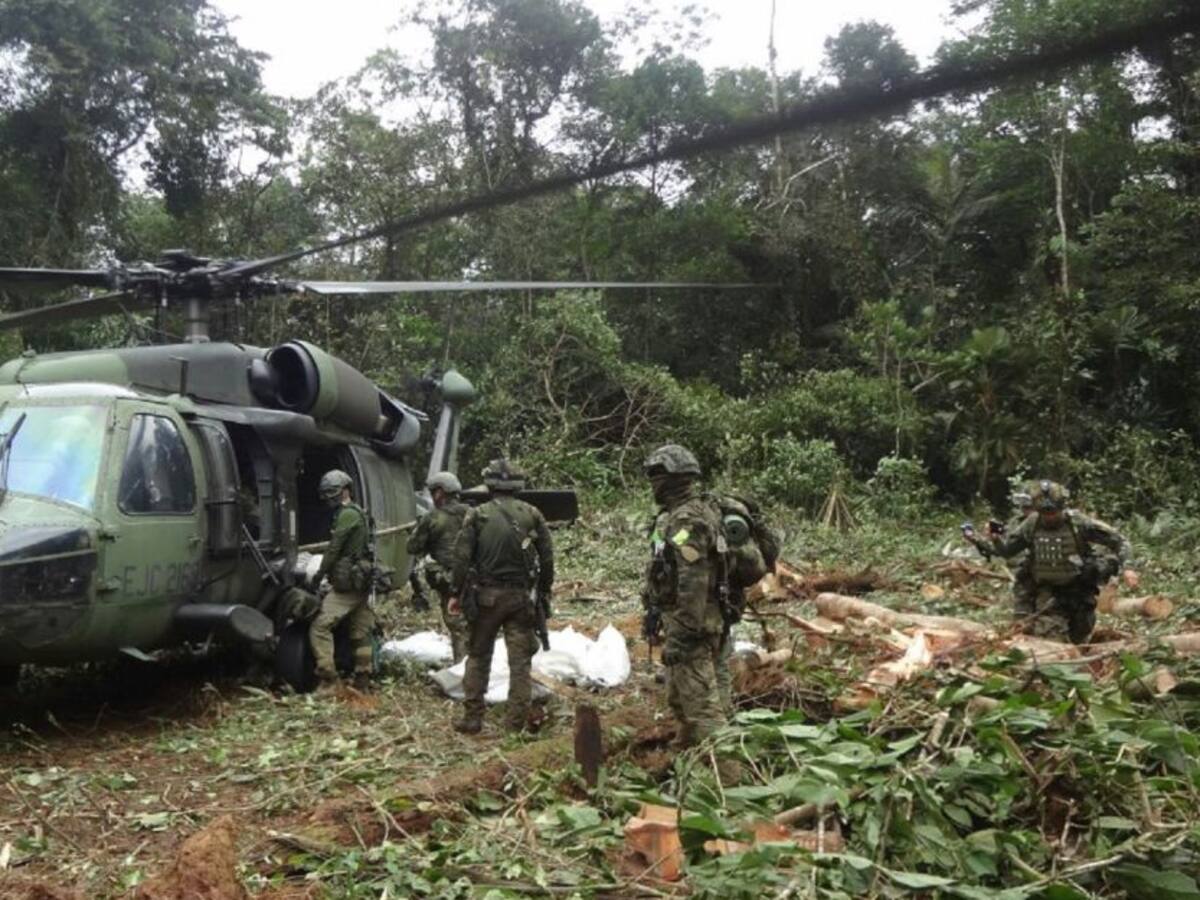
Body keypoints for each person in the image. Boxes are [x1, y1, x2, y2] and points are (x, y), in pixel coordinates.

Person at [449, 458, 554, 734]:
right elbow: (547, 557)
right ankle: (514, 725)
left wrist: (455, 592)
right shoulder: (532, 513)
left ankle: (473, 718)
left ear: (490, 483)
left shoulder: (477, 514)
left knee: (478, 656)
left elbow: (461, 558)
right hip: (521, 600)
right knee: (520, 664)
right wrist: (544, 590)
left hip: (486, 599)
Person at [966, 480, 1137, 643]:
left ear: (1062, 507)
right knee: (1050, 637)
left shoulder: (1079, 523)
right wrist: (995, 539)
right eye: (1045, 513)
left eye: (1053, 512)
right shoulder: (1031, 524)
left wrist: (1128, 568)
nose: (1049, 517)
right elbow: (1007, 550)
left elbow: (1120, 541)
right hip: (1048, 592)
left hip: (1078, 590)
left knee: (1080, 632)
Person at [640, 443, 727, 746]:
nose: (652, 483)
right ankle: (687, 753)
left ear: (671, 479)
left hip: (692, 624)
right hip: (684, 618)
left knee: (703, 708)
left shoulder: (686, 521)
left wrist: (682, 634)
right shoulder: (682, 514)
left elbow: (693, 583)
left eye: (656, 476)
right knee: (679, 697)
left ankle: (730, 780)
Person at [308, 469, 373, 685]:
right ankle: (363, 677)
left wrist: (318, 576)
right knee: (360, 630)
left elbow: (334, 549)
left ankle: (328, 679)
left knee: (320, 626)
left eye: (332, 492)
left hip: (348, 584)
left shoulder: (347, 514)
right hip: (360, 580)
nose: (329, 497)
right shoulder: (357, 512)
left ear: (345, 490)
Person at [406, 471, 470, 662]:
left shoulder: (433, 518)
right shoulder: (474, 513)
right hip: (477, 579)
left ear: (440, 492)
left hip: (452, 582)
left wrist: (417, 530)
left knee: (458, 627)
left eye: (434, 491)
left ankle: (463, 671)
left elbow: (413, 547)